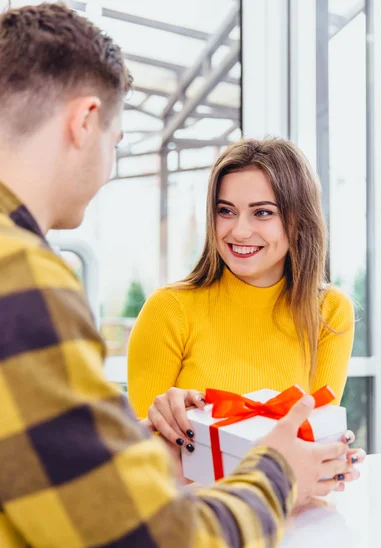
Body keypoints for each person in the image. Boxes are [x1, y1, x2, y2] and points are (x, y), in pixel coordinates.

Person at [0, 4, 356, 548]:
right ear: (85, 122)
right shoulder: (23, 282)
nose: (110, 166)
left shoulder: (329, 310)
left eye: (263, 212)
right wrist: (275, 470)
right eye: (117, 141)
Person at [128, 138, 363, 469]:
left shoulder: (330, 312)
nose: (239, 231)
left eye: (262, 212)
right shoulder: (168, 309)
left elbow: (309, 442)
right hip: (194, 512)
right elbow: (141, 459)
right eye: (226, 211)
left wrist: (330, 460)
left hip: (292, 512)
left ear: (298, 219)